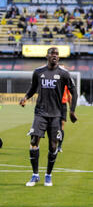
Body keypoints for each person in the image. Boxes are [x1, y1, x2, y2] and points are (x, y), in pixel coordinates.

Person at [19, 47, 78, 187]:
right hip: (40, 113)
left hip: (56, 114)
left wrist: (72, 111)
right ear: (47, 56)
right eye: (52, 54)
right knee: (34, 141)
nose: (55, 56)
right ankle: (35, 175)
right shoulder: (38, 72)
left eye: (57, 54)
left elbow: (73, 92)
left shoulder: (64, 74)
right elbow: (33, 88)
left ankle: (48, 175)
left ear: (58, 57)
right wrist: (25, 97)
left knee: (53, 146)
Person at [57, 85, 72, 153]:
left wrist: (71, 109)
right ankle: (53, 144)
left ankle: (59, 146)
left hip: (63, 105)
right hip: (55, 104)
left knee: (62, 124)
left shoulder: (65, 85)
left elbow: (69, 95)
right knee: (55, 125)